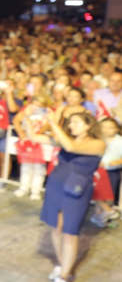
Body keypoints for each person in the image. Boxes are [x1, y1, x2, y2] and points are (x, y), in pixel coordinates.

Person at [41, 109, 106, 282]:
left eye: (76, 122)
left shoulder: (98, 143)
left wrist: (54, 123)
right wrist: (27, 122)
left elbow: (71, 147)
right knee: (56, 227)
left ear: (88, 125)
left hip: (76, 189)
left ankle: (64, 275)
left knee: (70, 231)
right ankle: (61, 265)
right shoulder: (66, 139)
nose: (71, 125)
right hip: (56, 185)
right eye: (70, 122)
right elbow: (34, 137)